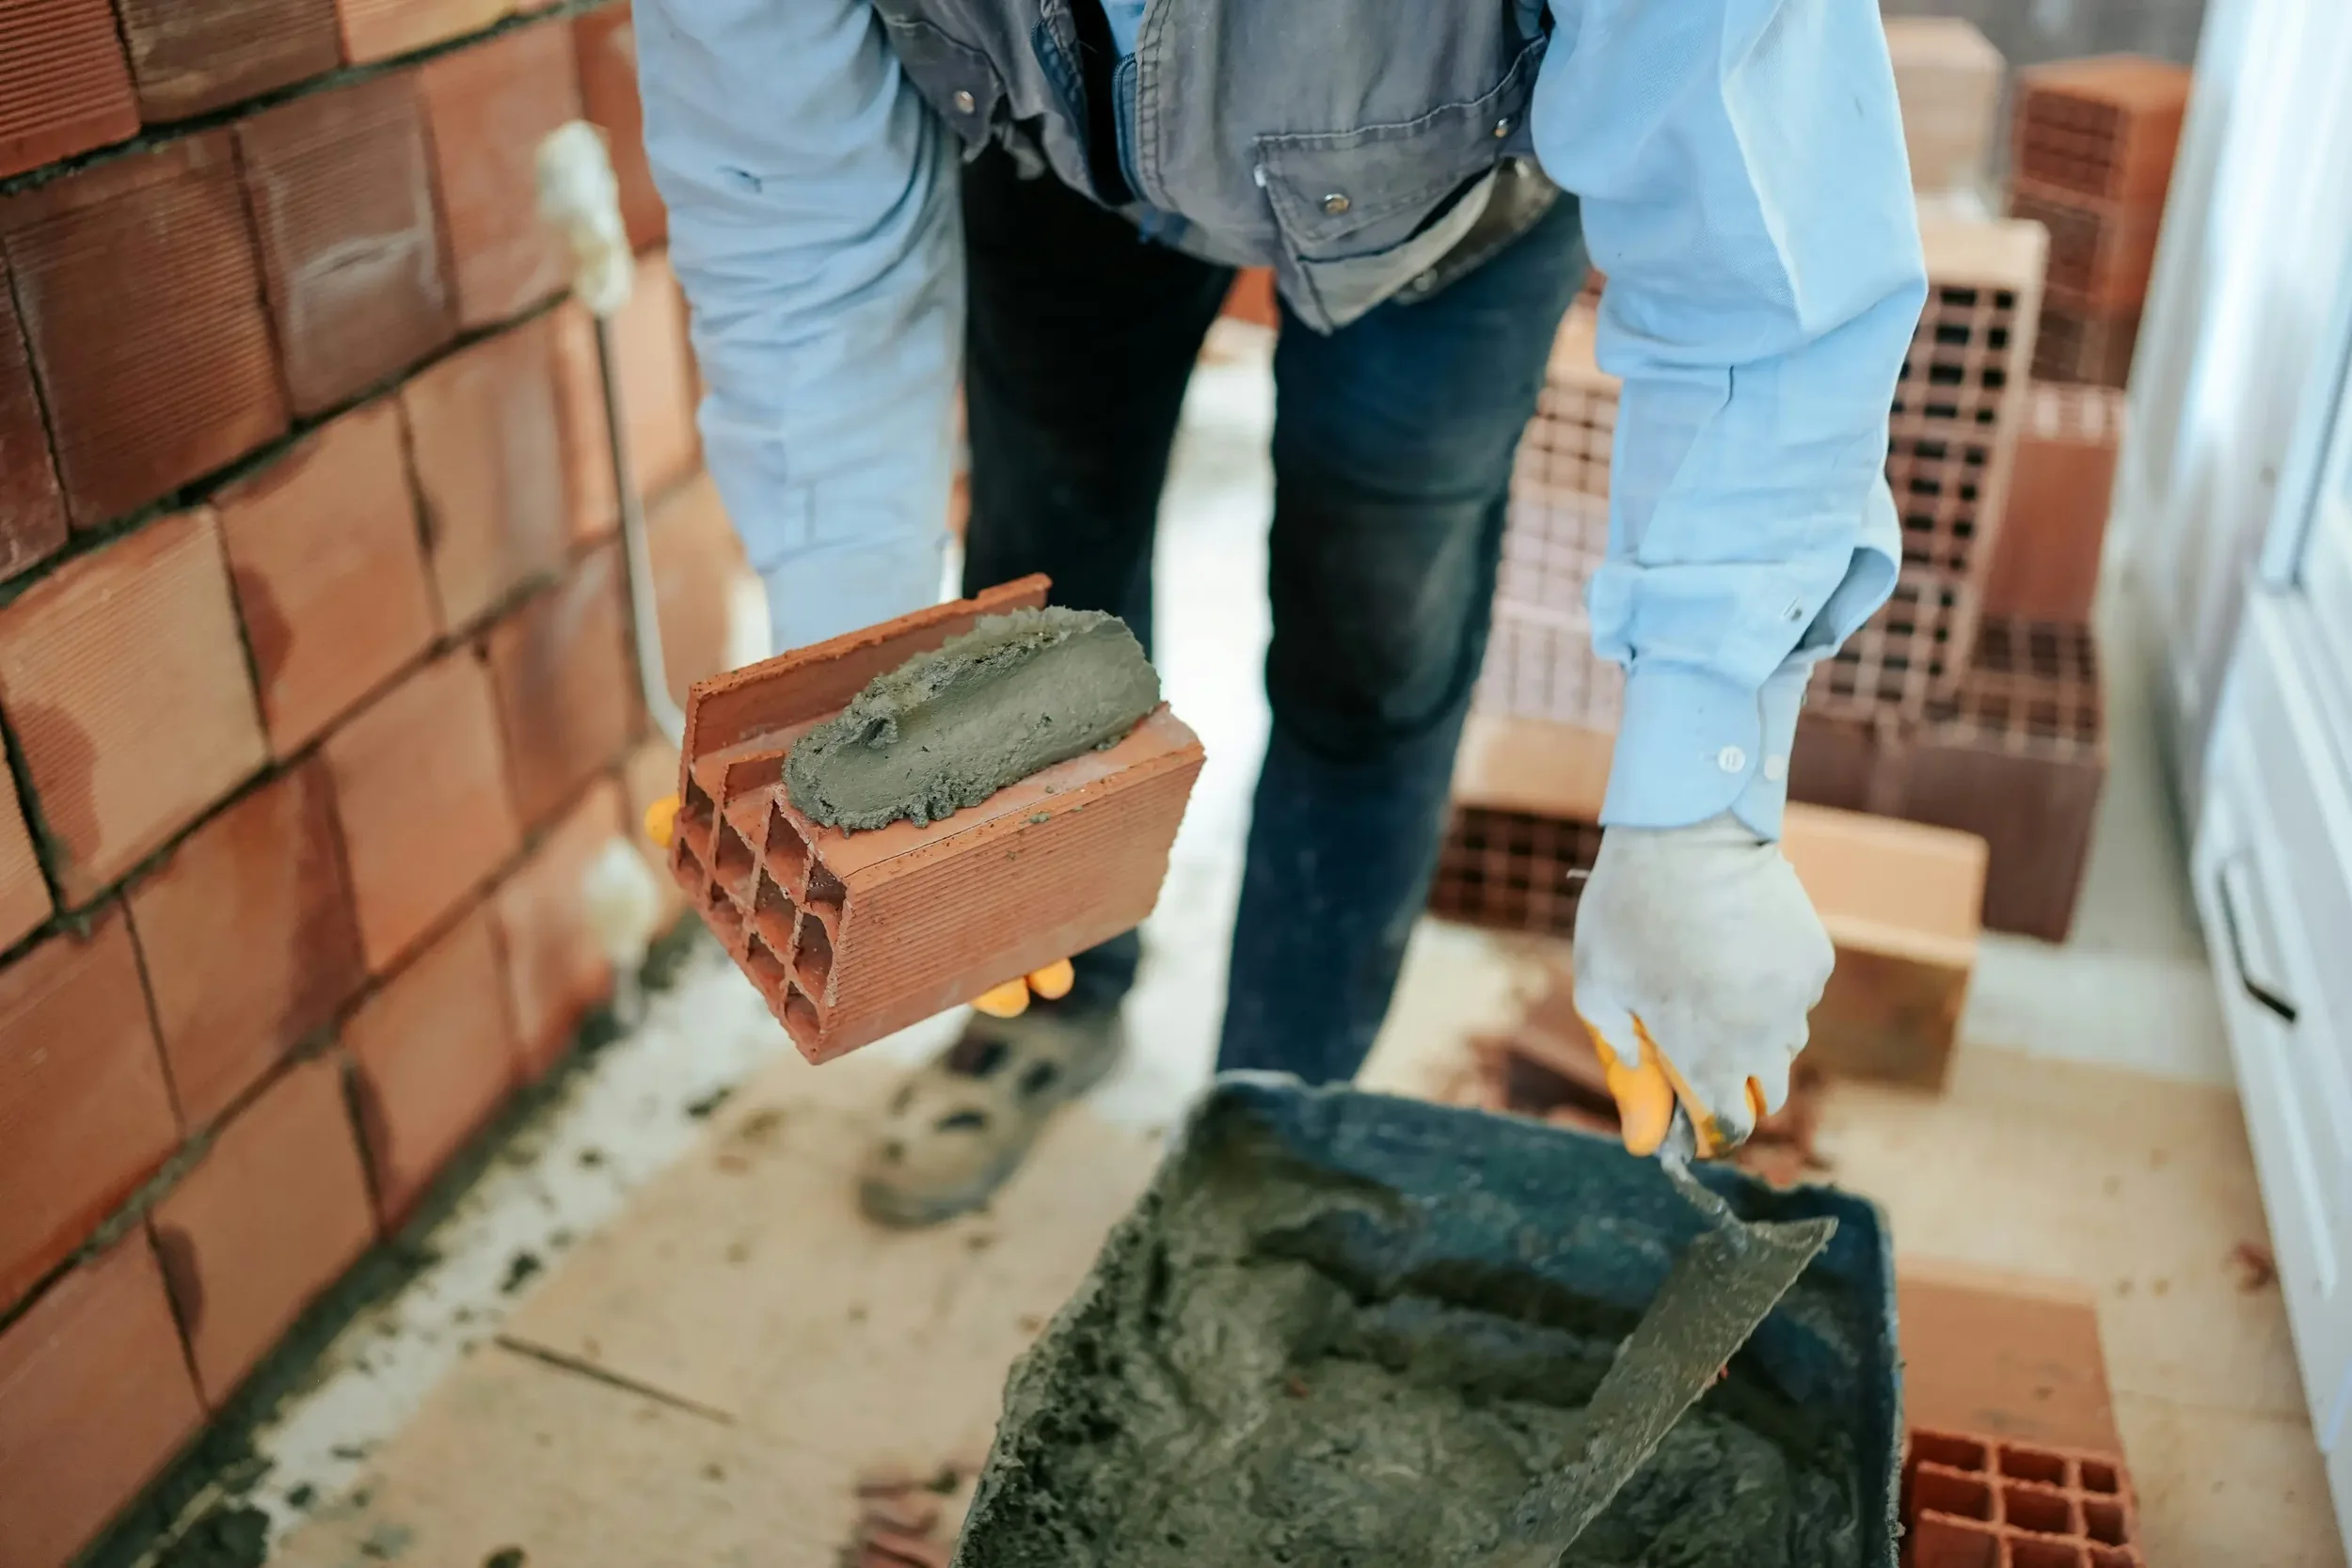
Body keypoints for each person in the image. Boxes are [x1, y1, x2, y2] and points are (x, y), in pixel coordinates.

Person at [635, 0, 1927, 1225]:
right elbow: (790, 231)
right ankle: (1052, 1006)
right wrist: (862, 682)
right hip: (1060, 164)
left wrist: (1700, 798)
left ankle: (1275, 1124)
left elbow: (1757, 263)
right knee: (1038, 583)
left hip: (1443, 213)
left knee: (1371, 646)